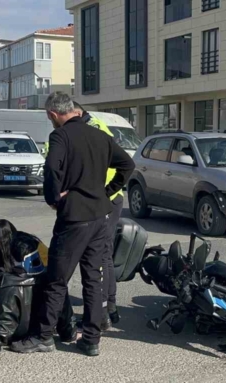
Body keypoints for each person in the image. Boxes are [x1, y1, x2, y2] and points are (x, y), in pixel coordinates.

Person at [10, 92, 134, 357]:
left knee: (56, 279)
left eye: (49, 117)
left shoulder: (60, 136)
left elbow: (52, 168)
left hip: (75, 218)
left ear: (54, 115)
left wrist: (54, 198)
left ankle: (43, 337)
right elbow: (128, 164)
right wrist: (108, 190)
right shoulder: (101, 135)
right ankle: (91, 339)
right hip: (101, 216)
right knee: (93, 278)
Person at [0, 220, 74, 364]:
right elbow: (62, 305)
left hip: (19, 329)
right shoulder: (52, 284)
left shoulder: (12, 283)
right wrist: (69, 330)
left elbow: (4, 317)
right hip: (38, 324)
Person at [73, 102, 125, 327]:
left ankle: (101, 312)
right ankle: (109, 305)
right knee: (104, 252)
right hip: (109, 197)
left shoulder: (92, 130)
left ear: (76, 113)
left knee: (99, 254)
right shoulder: (97, 125)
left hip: (104, 199)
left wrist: (104, 194)